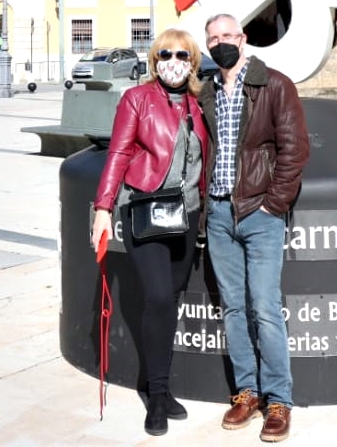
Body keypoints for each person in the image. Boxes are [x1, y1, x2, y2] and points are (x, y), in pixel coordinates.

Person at [90, 29, 210, 437]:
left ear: (192, 62)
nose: (172, 61)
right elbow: (120, 152)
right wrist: (103, 208)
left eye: (180, 55)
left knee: (170, 299)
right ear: (154, 59)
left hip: (187, 215)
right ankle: (156, 396)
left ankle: (159, 383)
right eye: (164, 54)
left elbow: (202, 165)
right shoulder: (136, 99)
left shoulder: (197, 105)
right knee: (158, 297)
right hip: (146, 208)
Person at [199, 13, 309, 444]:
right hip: (220, 214)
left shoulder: (273, 85)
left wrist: (272, 206)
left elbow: (294, 150)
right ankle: (246, 392)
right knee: (232, 307)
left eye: (228, 35)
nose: (222, 42)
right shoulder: (207, 90)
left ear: (242, 39)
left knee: (264, 307)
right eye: (214, 38)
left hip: (259, 213)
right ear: (208, 45)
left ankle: (278, 400)